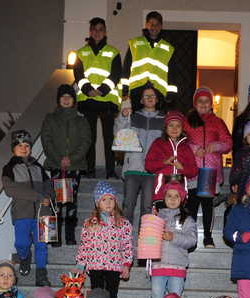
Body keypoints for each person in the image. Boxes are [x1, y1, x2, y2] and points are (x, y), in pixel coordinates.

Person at [138, 181, 198, 298]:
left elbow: (192, 240)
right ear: (163, 198)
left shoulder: (187, 219)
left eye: (176, 196)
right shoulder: (157, 216)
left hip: (177, 266)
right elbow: (147, 235)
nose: (172, 199)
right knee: (156, 297)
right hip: (158, 264)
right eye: (169, 196)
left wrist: (173, 237)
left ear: (182, 198)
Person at [2, 129, 55, 287]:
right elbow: (10, 189)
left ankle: (41, 272)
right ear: (14, 148)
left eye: (27, 145)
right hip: (22, 212)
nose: (24, 148)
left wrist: (47, 197)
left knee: (42, 245)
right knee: (22, 243)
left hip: (43, 213)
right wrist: (36, 196)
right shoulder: (9, 167)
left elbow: (49, 185)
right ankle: (25, 257)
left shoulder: (38, 167)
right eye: (20, 146)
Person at [40, 83, 91, 246]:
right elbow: (46, 140)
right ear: (58, 100)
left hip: (74, 167)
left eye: (69, 96)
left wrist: (73, 158)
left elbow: (86, 142)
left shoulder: (81, 121)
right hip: (56, 165)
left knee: (71, 202)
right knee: (56, 202)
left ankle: (69, 235)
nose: (66, 99)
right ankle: (54, 236)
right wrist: (59, 157)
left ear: (74, 100)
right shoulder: (50, 118)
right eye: (63, 96)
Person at [74, 181, 133, 298]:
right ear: (98, 202)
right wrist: (80, 264)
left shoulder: (123, 223)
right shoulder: (90, 222)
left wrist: (127, 264)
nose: (108, 202)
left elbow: (127, 245)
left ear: (115, 201)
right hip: (96, 265)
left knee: (112, 293)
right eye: (104, 199)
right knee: (97, 294)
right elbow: (85, 245)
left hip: (114, 265)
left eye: (111, 199)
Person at [184, 86, 233, 248]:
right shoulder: (188, 120)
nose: (203, 104)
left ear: (212, 104)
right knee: (191, 204)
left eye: (207, 101)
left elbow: (228, 143)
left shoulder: (218, 122)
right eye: (200, 101)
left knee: (207, 205)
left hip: (210, 170)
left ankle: (208, 237)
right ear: (195, 103)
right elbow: (181, 140)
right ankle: (189, 236)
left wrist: (217, 146)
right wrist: (193, 148)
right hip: (192, 169)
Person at [74, 17, 122, 180]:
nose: (97, 32)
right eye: (94, 29)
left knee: (109, 137)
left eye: (100, 29)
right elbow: (78, 74)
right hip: (88, 101)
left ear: (105, 32)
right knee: (90, 138)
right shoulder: (81, 53)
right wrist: (88, 90)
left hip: (107, 100)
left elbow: (116, 74)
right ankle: (90, 169)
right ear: (90, 31)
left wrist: (102, 90)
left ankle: (110, 170)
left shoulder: (114, 52)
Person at [116, 83, 165, 225]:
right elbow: (118, 134)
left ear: (157, 99)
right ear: (141, 100)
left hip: (152, 169)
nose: (150, 98)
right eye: (146, 96)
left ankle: (144, 238)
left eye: (152, 96)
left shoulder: (164, 119)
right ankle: (124, 238)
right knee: (128, 205)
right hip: (133, 167)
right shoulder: (133, 117)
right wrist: (123, 117)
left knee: (147, 206)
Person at [122, 11, 178, 111]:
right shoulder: (135, 43)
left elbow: (172, 73)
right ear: (146, 24)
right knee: (137, 120)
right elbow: (126, 66)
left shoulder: (168, 48)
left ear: (161, 26)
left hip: (158, 91)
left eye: (157, 25)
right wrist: (124, 87)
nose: (154, 27)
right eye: (152, 24)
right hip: (137, 89)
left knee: (156, 123)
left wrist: (171, 94)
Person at [144, 110, 199, 205]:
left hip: (179, 195)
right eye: (171, 125)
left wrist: (183, 168)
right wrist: (164, 162)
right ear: (166, 128)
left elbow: (194, 170)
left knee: (178, 219)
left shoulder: (186, 147)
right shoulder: (158, 144)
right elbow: (148, 166)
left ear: (182, 128)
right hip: (161, 194)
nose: (174, 129)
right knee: (161, 219)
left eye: (178, 126)